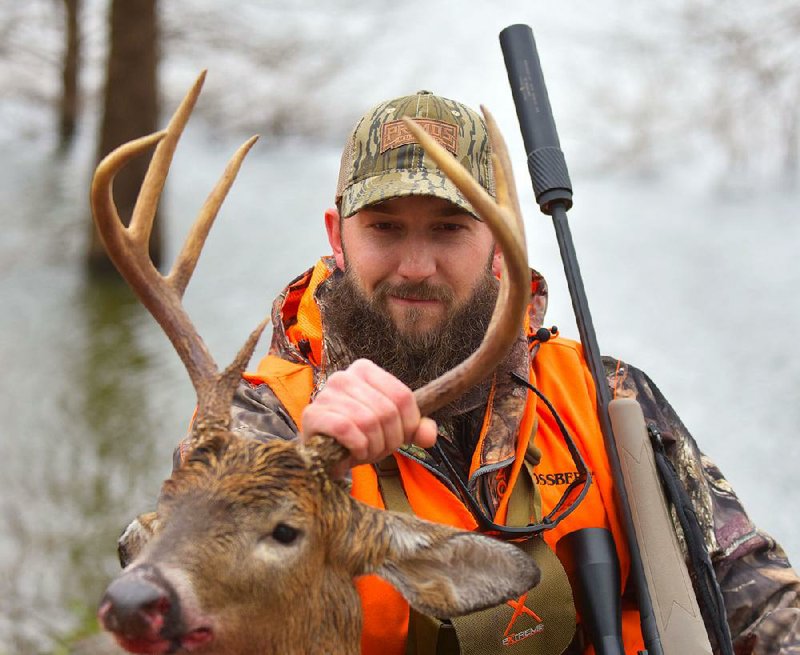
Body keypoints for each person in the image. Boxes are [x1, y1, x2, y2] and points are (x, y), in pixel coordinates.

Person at [177, 91, 800, 654]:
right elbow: (179, 576)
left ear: (501, 243)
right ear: (339, 236)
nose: (416, 266)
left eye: (449, 229)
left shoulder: (602, 395)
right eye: (385, 227)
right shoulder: (263, 420)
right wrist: (301, 472)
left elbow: (753, 593)